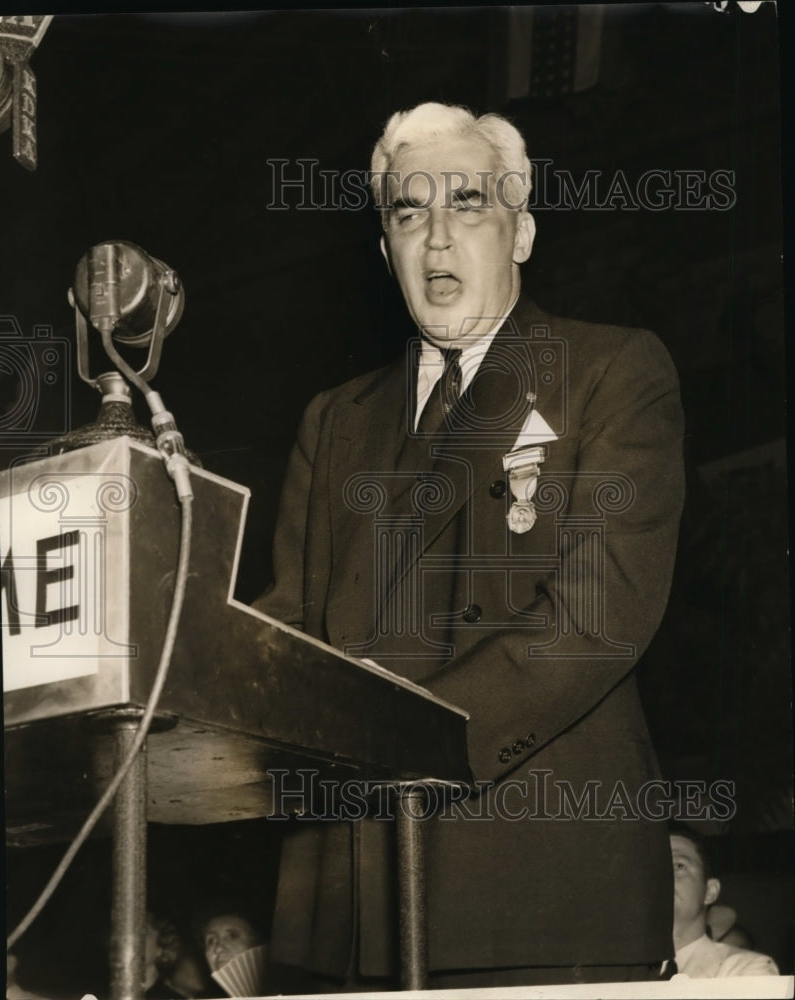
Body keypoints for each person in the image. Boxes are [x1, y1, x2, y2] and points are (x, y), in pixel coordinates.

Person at [255, 101, 685, 988]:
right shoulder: (332, 420)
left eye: (468, 205)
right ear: (386, 251)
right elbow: (288, 636)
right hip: (350, 899)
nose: (438, 239)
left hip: (537, 880)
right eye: (410, 214)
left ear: (521, 232)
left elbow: (597, 620)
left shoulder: (612, 372)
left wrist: (395, 743)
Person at [670, 827, 778, 977]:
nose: (661, 878)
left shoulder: (747, 969)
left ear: (710, 891)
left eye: (678, 866)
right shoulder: (628, 971)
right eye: (652, 870)